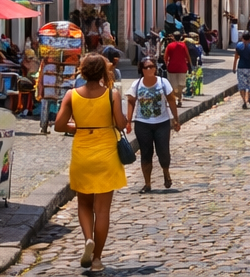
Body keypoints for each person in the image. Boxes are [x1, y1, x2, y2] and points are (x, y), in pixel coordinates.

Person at [55, 53, 127, 273]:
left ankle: (88, 238)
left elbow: (58, 125)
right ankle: (96, 260)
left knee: (84, 204)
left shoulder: (72, 95)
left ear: (82, 71)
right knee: (102, 211)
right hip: (106, 155)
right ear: (104, 72)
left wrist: (77, 127)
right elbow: (121, 124)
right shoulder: (111, 95)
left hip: (83, 154)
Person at [124, 57, 179, 193]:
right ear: (141, 70)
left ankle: (166, 173)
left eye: (151, 66)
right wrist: (128, 121)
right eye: (146, 67)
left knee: (163, 152)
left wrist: (175, 119)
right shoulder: (136, 84)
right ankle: (147, 183)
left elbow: (171, 100)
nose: (149, 69)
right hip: (143, 123)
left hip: (162, 123)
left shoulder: (163, 82)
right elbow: (131, 102)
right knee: (146, 153)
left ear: (155, 68)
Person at [232, 29, 250, 110]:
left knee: (242, 85)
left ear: (242, 37)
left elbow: (236, 57)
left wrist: (234, 67)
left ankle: (244, 100)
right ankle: (249, 98)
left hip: (241, 67)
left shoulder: (238, 46)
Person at [163, 33, 190, 111]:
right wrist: (189, 65)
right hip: (182, 68)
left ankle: (174, 99)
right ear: (181, 37)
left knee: (173, 85)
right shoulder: (183, 45)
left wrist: (166, 64)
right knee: (181, 85)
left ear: (173, 37)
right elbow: (187, 56)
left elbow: (165, 57)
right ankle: (179, 99)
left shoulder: (170, 46)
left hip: (172, 68)